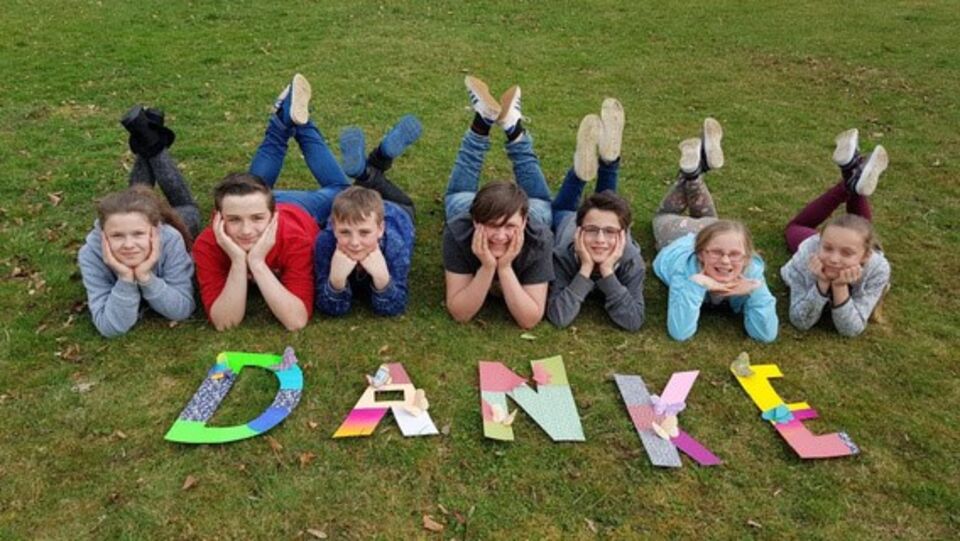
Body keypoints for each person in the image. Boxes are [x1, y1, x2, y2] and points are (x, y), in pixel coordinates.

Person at [192, 74, 350, 331]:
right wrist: (239, 260)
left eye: (257, 220)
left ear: (272, 216)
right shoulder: (208, 244)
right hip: (254, 201)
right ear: (219, 218)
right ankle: (286, 118)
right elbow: (225, 322)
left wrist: (256, 264)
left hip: (298, 210)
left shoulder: (295, 239)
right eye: (233, 220)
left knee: (342, 192)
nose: (246, 231)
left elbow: (296, 320)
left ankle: (299, 124)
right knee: (253, 186)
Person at [442, 76, 555, 329]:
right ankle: (512, 127)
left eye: (510, 227)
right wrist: (487, 267)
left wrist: (504, 268)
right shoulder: (459, 230)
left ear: (523, 223)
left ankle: (483, 121)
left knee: (537, 204)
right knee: (460, 198)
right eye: (493, 226)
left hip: (532, 213)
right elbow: (460, 313)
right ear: (476, 222)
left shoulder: (538, 236)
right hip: (469, 208)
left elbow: (529, 319)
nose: (501, 236)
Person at [651, 118, 777, 342]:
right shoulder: (685, 270)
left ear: (746, 257)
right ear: (700, 254)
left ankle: (693, 172)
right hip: (677, 236)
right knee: (664, 216)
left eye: (735, 255)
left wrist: (756, 290)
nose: (726, 261)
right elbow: (680, 332)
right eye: (717, 254)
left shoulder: (752, 271)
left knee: (708, 219)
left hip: (714, 232)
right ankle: (693, 172)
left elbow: (766, 335)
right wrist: (697, 283)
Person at [78, 105, 198, 337]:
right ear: (103, 234)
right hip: (136, 215)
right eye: (117, 235)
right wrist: (126, 278)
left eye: (138, 234)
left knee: (186, 205)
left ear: (155, 230)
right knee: (133, 200)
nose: (129, 245)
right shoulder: (91, 252)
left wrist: (146, 277)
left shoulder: (170, 237)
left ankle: (148, 136)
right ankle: (149, 135)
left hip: (178, 218)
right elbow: (110, 327)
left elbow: (182, 309)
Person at [547, 101, 646, 331]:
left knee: (577, 208)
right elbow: (558, 317)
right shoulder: (563, 254)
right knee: (564, 212)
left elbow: (633, 321)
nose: (600, 240)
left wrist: (608, 272)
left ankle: (581, 172)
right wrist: (585, 268)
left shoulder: (631, 260)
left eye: (610, 232)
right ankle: (608, 161)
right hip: (568, 221)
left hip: (595, 221)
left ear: (623, 234)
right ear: (579, 230)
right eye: (591, 231)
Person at [781, 129, 890, 336]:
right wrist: (821, 282)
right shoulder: (810, 251)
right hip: (838, 243)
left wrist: (839, 287)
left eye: (846, 253)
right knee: (850, 232)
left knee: (796, 228)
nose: (833, 259)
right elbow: (800, 321)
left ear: (866, 256)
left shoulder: (877, 269)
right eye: (828, 248)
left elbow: (850, 330)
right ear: (819, 241)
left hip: (860, 246)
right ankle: (851, 175)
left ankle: (849, 174)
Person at [313, 116, 421, 316]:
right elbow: (328, 307)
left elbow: (395, 307)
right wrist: (336, 282)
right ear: (334, 227)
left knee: (371, 191)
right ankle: (375, 162)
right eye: (345, 232)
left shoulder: (394, 242)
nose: (355, 243)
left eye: (364, 233)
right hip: (364, 212)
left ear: (380, 229)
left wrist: (382, 279)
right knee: (366, 185)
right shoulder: (325, 241)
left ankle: (368, 170)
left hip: (398, 209)